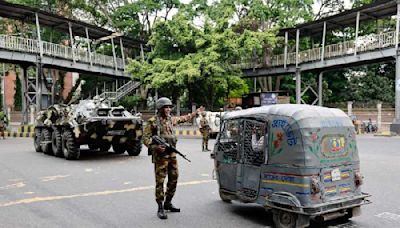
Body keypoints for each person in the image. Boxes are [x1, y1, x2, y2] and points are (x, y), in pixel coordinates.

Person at [143, 97, 202, 220]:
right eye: (166, 107)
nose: (169, 109)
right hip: (161, 156)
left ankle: (168, 203)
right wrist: (154, 147)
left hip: (171, 154)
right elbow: (145, 138)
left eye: (170, 107)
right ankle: (160, 207)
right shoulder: (153, 121)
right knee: (160, 181)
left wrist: (195, 113)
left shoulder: (171, 119)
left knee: (174, 178)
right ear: (160, 108)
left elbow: (183, 118)